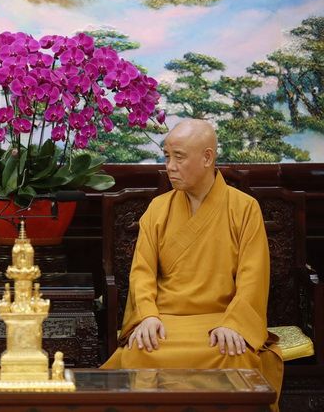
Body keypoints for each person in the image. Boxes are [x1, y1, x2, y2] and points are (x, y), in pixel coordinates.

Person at [101, 119, 283, 407]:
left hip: (220, 321)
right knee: (139, 352)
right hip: (165, 323)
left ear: (207, 157)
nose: (170, 167)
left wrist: (235, 324)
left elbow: (254, 277)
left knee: (233, 355)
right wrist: (147, 316)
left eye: (179, 157)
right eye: (166, 157)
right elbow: (142, 272)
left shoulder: (244, 208)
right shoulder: (158, 209)